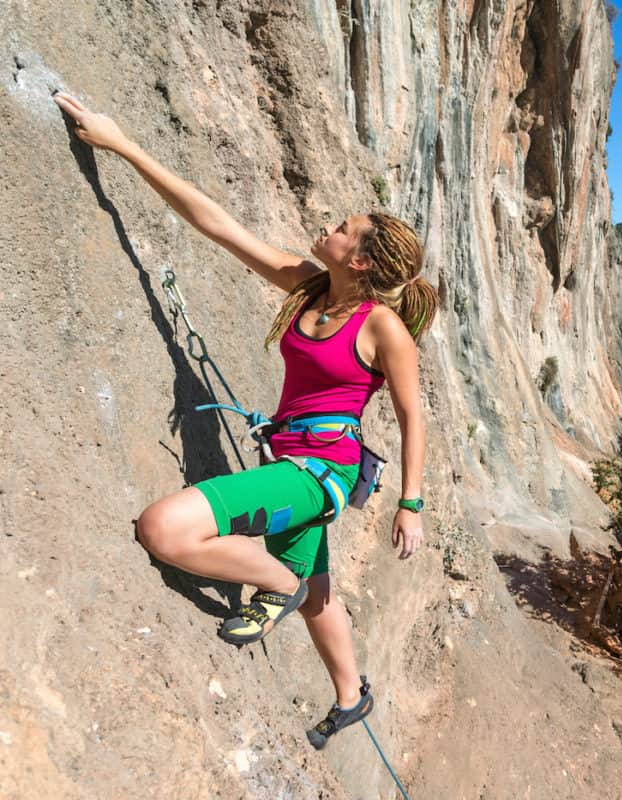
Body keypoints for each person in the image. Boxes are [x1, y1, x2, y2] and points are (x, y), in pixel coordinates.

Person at [53, 91, 438, 749]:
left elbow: (411, 416)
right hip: (291, 459)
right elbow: (218, 225)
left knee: (163, 528)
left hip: (321, 472)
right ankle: (352, 695)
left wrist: (411, 503)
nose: (329, 227)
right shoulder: (312, 286)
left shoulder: (383, 328)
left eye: (342, 228)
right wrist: (122, 146)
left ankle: (280, 584)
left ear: (360, 261)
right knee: (320, 592)